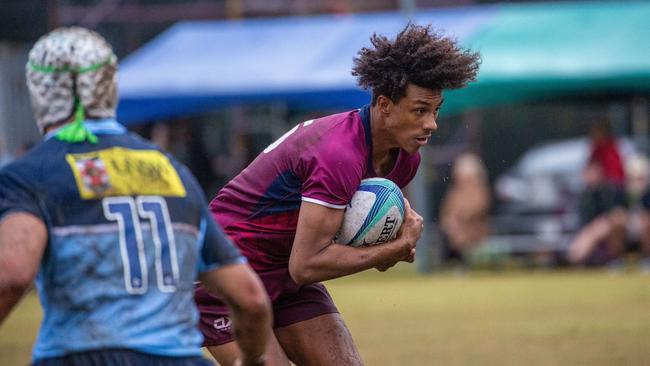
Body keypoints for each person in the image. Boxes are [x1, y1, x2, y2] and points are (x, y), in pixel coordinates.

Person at [195, 23, 480, 365]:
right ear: (385, 105)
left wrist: (394, 234)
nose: (432, 123)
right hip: (226, 274)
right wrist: (395, 248)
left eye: (435, 110)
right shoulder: (337, 154)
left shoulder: (406, 159)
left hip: (285, 274)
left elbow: (327, 249)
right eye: (419, 110)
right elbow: (307, 264)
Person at [0, 27, 271, 366]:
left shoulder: (30, 173)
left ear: (39, 92)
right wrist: (252, 359)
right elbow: (251, 299)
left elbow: (11, 274)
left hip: (80, 356)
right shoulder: (171, 171)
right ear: (111, 86)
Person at [439, 152, 491, 266]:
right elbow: (446, 211)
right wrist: (449, 221)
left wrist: (458, 220)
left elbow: (478, 209)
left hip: (473, 230)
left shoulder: (480, 190)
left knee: (459, 236)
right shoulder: (454, 191)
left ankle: (459, 264)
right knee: (449, 234)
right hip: (454, 229)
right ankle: (450, 264)